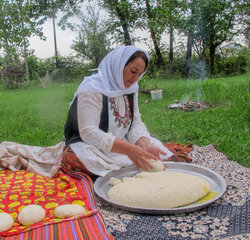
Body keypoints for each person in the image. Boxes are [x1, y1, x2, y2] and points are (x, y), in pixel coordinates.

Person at [62, 46, 175, 177]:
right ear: (119, 65)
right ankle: (128, 165)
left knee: (156, 150)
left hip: (121, 142)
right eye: (133, 71)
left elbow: (135, 123)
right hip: (91, 146)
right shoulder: (92, 88)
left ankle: (130, 163)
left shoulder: (131, 88)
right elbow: (88, 132)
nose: (135, 78)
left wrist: (144, 145)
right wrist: (130, 150)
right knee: (79, 159)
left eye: (140, 74)